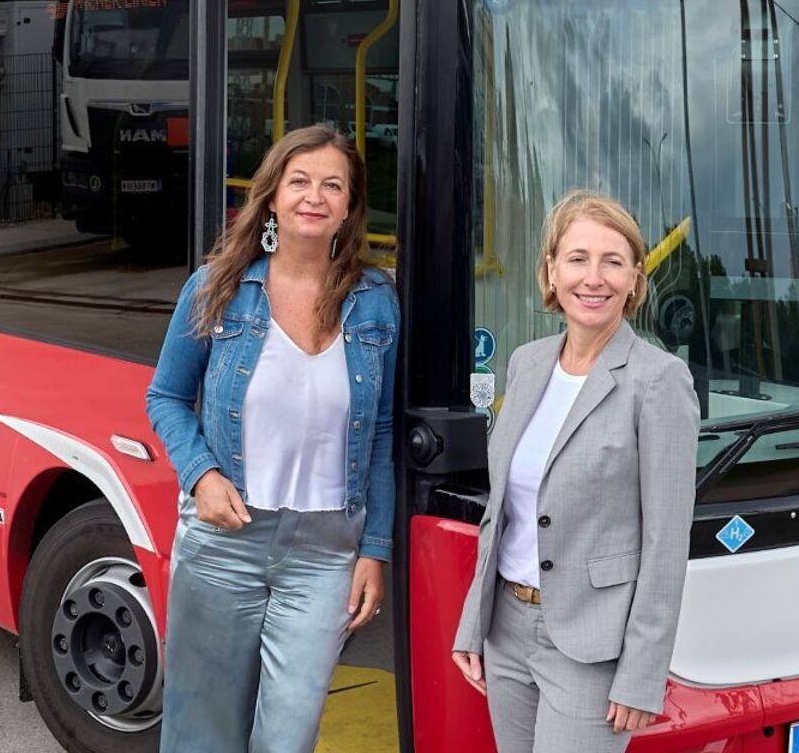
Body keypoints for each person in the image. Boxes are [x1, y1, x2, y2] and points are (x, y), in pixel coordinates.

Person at [146, 125, 399, 753]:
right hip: (225, 541)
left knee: (288, 736)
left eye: (332, 185)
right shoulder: (216, 289)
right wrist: (201, 474)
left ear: (348, 206)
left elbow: (385, 432)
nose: (315, 196)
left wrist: (375, 548)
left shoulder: (377, 302)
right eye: (301, 181)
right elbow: (166, 398)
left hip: (324, 551)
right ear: (274, 197)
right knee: (203, 735)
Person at [449, 191, 700, 753]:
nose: (594, 278)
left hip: (591, 645)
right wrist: (474, 621)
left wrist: (642, 673)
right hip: (507, 627)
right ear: (551, 270)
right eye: (578, 258)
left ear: (636, 278)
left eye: (613, 261)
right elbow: (503, 511)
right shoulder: (528, 362)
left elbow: (666, 542)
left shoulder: (659, 381)